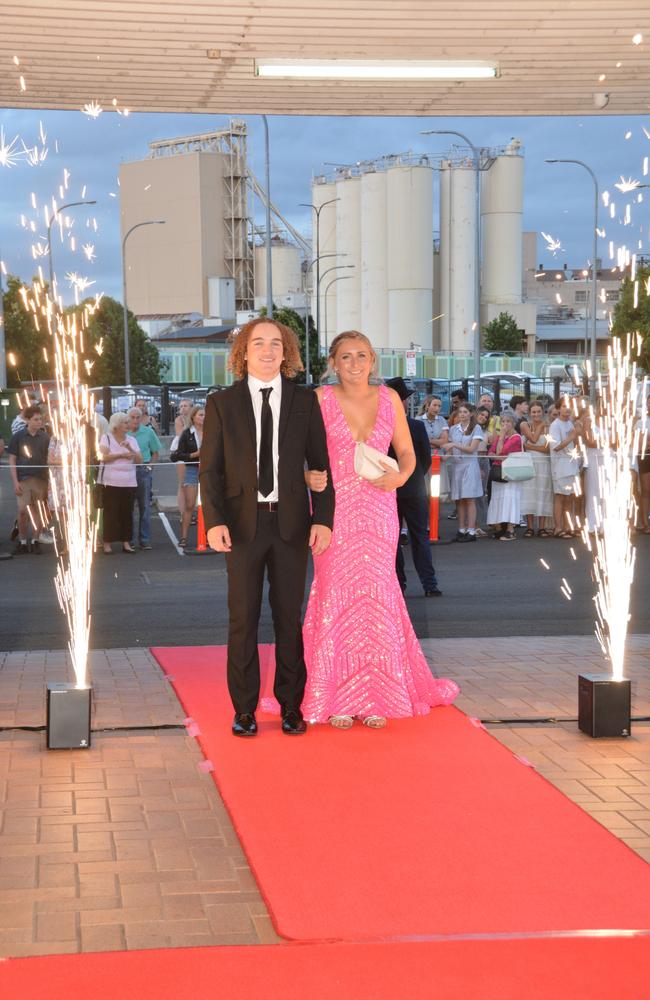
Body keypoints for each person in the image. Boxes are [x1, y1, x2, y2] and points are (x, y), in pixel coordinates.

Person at [301, 331, 458, 730]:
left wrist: (400, 477)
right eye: (346, 357)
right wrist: (307, 475)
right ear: (333, 362)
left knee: (377, 596)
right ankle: (333, 693)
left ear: (373, 361)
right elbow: (297, 451)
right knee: (335, 595)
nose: (355, 363)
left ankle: (377, 694)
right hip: (332, 511)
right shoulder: (319, 399)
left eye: (362, 356)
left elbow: (407, 453)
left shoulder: (389, 399)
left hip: (377, 508)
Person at [200, 317, 335, 739]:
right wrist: (214, 520)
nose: (267, 350)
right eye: (258, 343)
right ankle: (244, 710)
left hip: (292, 525)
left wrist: (324, 519)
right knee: (242, 619)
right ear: (244, 352)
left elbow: (321, 466)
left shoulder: (304, 401)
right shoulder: (222, 403)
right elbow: (209, 470)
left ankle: (291, 706)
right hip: (241, 527)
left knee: (287, 620)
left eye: (276, 343)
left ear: (286, 352)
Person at [386, 377, 442, 598]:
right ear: (404, 401)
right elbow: (426, 459)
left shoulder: (380, 427)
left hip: (389, 489)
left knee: (394, 540)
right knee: (420, 536)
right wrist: (415, 475)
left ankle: (399, 583)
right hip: (414, 488)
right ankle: (429, 584)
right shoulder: (416, 426)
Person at [7, 404, 51, 554]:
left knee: (38, 511)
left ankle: (35, 540)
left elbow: (49, 459)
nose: (39, 422)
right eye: (36, 419)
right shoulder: (18, 437)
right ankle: (23, 541)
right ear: (27, 420)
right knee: (22, 511)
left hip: (41, 479)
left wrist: (50, 482)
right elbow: (12, 459)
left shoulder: (45, 437)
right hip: (23, 479)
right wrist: (15, 481)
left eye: (41, 419)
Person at [97, 412, 142, 554]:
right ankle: (107, 543)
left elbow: (139, 461)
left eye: (128, 422)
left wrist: (129, 448)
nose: (128, 425)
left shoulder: (132, 440)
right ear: (116, 425)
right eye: (125, 423)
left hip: (129, 482)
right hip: (110, 482)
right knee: (110, 513)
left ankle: (126, 542)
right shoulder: (106, 438)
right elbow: (102, 457)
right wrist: (121, 455)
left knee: (127, 513)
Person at [441, 403, 484, 542]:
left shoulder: (476, 428)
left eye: (465, 412)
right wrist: (442, 457)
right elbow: (449, 450)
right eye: (460, 412)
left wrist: (453, 444)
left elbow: (471, 449)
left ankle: (471, 531)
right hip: (457, 466)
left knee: (470, 499)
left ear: (471, 414)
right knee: (459, 500)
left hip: (470, 466)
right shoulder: (453, 429)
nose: (462, 414)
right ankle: (461, 529)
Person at [170, 405, 204, 548]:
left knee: (209, 505)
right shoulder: (187, 433)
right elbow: (175, 455)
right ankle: (183, 537)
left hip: (209, 470)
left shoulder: (214, 432)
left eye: (205, 415)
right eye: (200, 415)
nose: (203, 418)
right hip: (192, 469)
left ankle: (207, 536)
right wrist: (194, 455)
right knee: (190, 505)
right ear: (193, 417)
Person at [128, 406, 161, 550]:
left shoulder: (148, 432)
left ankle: (144, 538)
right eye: (132, 417)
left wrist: (150, 467)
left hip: (143, 469)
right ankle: (129, 539)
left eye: (137, 417)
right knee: (128, 507)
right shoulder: (124, 432)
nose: (135, 420)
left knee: (145, 506)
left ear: (141, 418)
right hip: (127, 470)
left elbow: (155, 451)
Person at [487, 413, 523, 541]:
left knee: (510, 499)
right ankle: (501, 527)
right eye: (503, 421)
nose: (505, 424)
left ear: (513, 423)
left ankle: (510, 529)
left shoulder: (516, 438)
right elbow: (491, 452)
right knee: (499, 500)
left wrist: (501, 439)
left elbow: (500, 452)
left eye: (508, 421)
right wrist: (498, 454)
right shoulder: (499, 437)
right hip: (498, 471)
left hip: (510, 472)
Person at [549, 397, 581, 538]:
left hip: (571, 464)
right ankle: (558, 528)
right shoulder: (555, 425)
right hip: (560, 465)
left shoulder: (570, 423)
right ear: (558, 408)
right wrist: (571, 437)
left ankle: (568, 526)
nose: (567, 409)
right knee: (560, 496)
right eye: (564, 406)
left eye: (569, 406)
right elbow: (555, 446)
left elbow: (573, 443)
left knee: (569, 497)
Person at [519, 401, 553, 537]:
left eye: (539, 411)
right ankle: (530, 527)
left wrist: (529, 447)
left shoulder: (549, 427)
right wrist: (541, 426)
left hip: (544, 464)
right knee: (529, 493)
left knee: (543, 493)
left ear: (543, 412)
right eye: (534, 412)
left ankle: (542, 527)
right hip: (529, 462)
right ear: (530, 413)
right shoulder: (524, 425)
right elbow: (533, 438)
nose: (536, 414)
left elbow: (547, 449)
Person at [417, 394, 450, 499]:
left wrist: (428, 441)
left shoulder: (442, 420)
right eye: (434, 405)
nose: (437, 408)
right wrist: (436, 442)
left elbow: (444, 441)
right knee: (423, 491)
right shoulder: (418, 420)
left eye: (439, 406)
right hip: (423, 457)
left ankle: (435, 515)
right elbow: (418, 441)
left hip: (437, 457)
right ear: (427, 406)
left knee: (436, 492)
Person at [174, 399, 192, 532]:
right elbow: (182, 436)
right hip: (183, 450)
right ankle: (183, 513)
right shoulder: (179, 420)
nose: (183, 408)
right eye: (181, 406)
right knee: (182, 483)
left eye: (186, 406)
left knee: (194, 485)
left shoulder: (198, 418)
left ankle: (192, 511)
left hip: (195, 451)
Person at [634, 394, 650, 533]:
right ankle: (645, 523)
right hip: (645, 458)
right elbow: (641, 444)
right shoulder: (641, 422)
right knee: (646, 490)